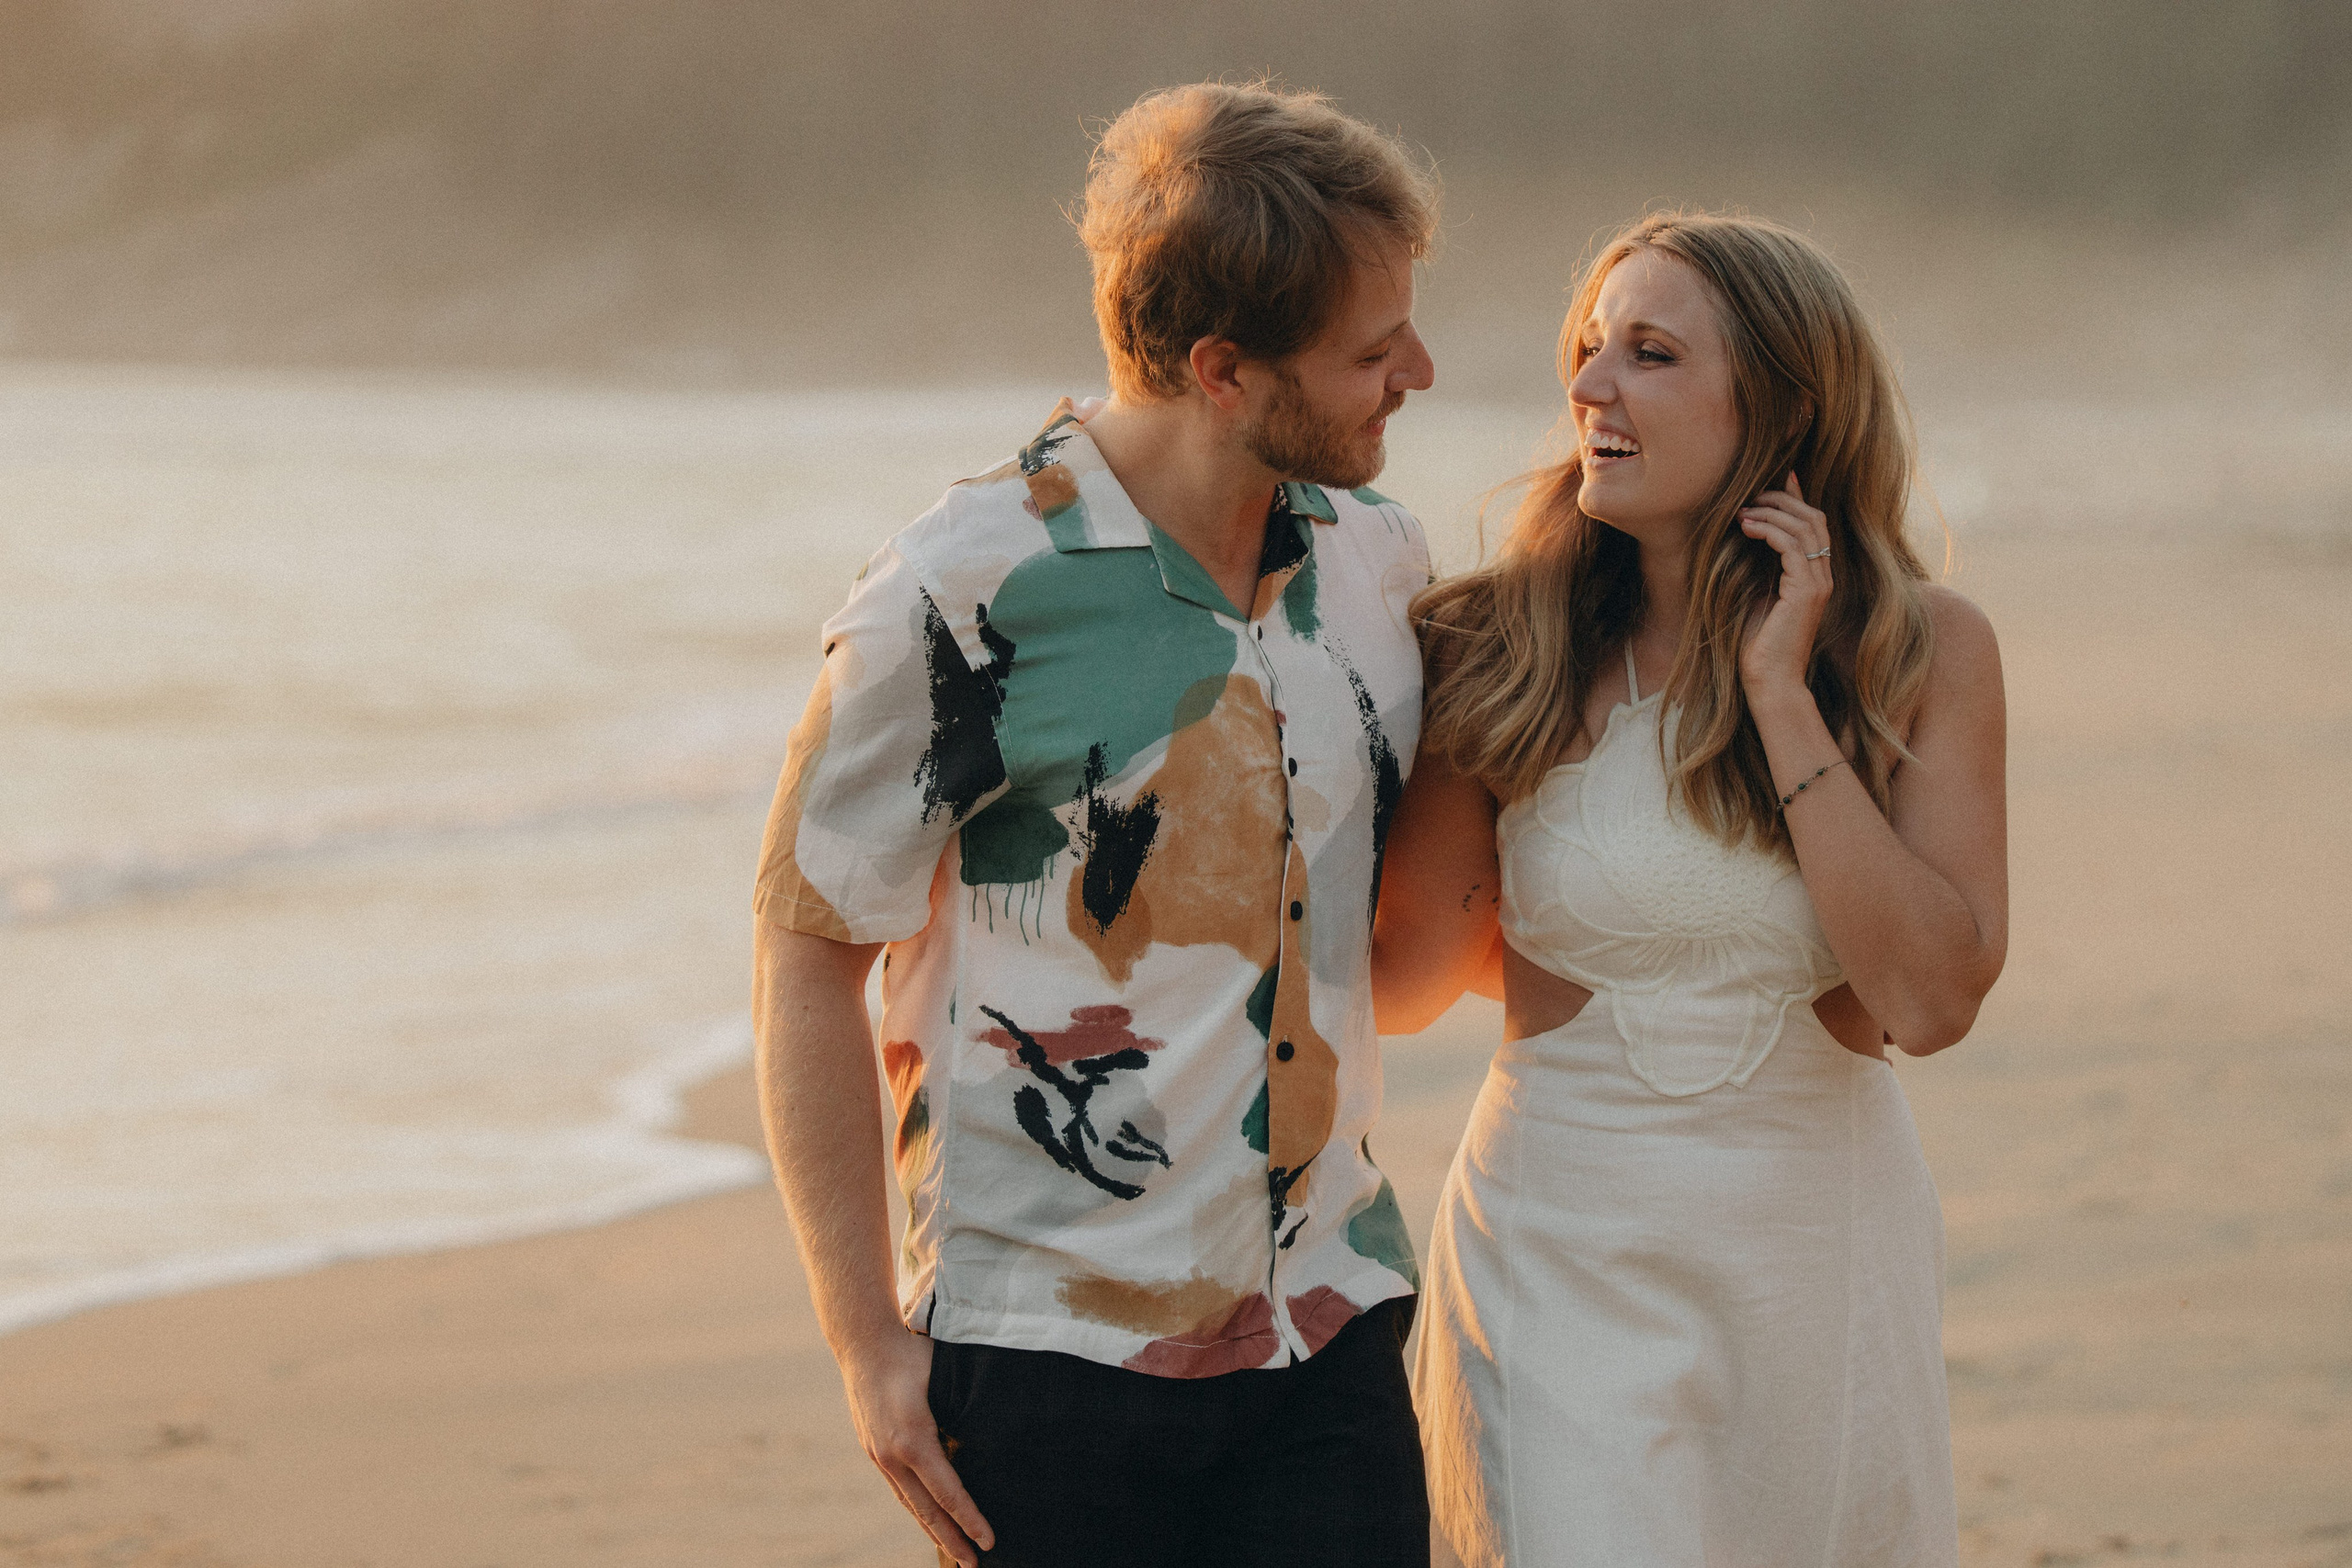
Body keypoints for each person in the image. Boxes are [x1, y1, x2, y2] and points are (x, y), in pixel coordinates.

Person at [753, 82, 1441, 1568]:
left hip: (1331, 1333)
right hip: (1042, 1367)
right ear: (1223, 370)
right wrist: (866, 1344)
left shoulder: (1384, 567)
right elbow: (805, 952)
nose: (1421, 375)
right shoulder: (960, 590)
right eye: (1373, 351)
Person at [1374, 211, 2007, 1566]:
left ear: (1781, 408)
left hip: (1817, 1251)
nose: (1590, 388)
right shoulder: (1492, 645)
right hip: (1557, 1244)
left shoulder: (1922, 648)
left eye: (1650, 355)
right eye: (1589, 349)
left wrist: (1781, 697)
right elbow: (1403, 979)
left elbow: (1928, 998)